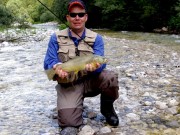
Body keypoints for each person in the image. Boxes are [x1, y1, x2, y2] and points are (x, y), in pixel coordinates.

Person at [44, 0, 119, 130]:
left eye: (80, 14)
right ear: (68, 18)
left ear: (86, 17)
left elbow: (101, 62)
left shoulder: (97, 38)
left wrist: (96, 68)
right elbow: (48, 62)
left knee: (110, 77)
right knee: (69, 123)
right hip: (69, 84)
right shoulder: (55, 37)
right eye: (73, 15)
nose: (77, 18)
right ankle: (74, 104)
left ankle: (107, 109)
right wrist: (56, 68)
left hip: (91, 82)